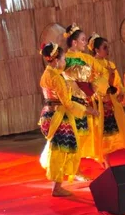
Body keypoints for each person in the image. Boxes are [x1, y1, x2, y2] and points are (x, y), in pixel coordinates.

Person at [38, 42, 98, 197]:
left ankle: (57, 185)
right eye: (64, 59)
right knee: (61, 151)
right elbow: (68, 103)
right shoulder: (56, 78)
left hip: (50, 113)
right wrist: (87, 110)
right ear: (56, 60)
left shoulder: (46, 74)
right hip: (60, 116)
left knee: (59, 149)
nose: (64, 63)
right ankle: (56, 187)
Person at [62, 23, 109, 175]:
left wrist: (95, 85)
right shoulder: (66, 59)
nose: (85, 42)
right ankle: (72, 168)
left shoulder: (87, 58)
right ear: (74, 42)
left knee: (82, 134)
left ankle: (74, 166)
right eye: (82, 39)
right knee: (73, 135)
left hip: (86, 98)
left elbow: (103, 72)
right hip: (72, 99)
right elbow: (59, 77)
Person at [88, 33, 125, 168]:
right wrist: (104, 89)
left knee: (109, 132)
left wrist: (120, 92)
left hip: (110, 102)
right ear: (96, 50)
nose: (108, 50)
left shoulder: (110, 64)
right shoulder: (92, 65)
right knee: (101, 131)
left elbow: (117, 82)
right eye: (104, 48)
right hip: (99, 102)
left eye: (108, 47)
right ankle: (105, 160)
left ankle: (105, 159)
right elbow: (92, 83)